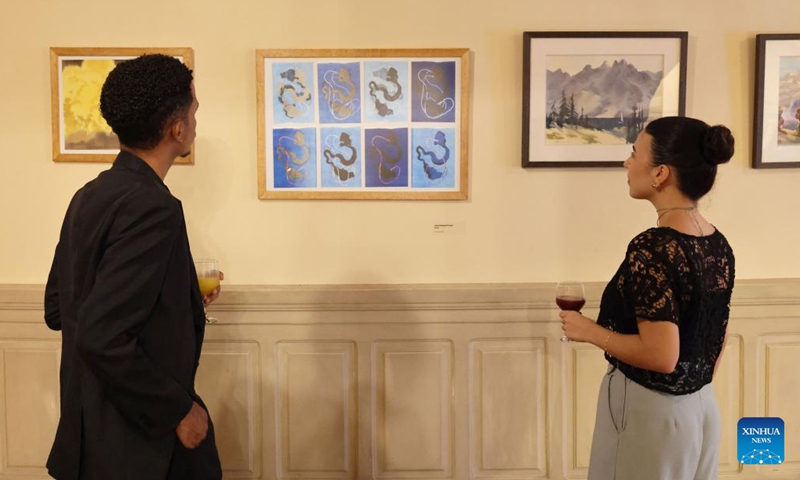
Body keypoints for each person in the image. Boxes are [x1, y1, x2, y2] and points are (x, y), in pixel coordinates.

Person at [44, 54, 223, 480]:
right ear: (176, 129)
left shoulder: (88, 196)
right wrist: (179, 410)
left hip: (90, 440)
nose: (196, 121)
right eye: (194, 111)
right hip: (139, 446)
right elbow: (101, 334)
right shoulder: (153, 207)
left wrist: (180, 293)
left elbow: (60, 308)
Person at [560, 116, 735, 480]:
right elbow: (718, 336)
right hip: (701, 409)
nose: (627, 163)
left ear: (660, 174)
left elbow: (661, 356)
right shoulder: (716, 243)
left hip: (649, 411)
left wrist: (587, 331)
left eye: (634, 153)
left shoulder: (653, 247)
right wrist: (689, 391)